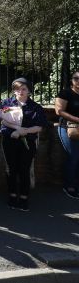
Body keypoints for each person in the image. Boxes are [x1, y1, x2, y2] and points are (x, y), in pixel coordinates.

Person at [0, 78, 48, 211]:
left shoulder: (35, 107)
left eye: (23, 89)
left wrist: (23, 132)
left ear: (29, 91)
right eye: (17, 89)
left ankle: (24, 197)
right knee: (11, 168)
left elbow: (39, 126)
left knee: (24, 169)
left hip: (28, 142)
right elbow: (3, 120)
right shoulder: (8, 103)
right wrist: (17, 129)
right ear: (14, 90)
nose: (20, 91)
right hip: (9, 140)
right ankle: (12, 195)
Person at [55, 70, 79, 199]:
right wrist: (76, 119)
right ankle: (69, 185)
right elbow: (59, 111)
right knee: (73, 156)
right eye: (76, 78)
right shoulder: (66, 93)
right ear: (72, 80)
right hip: (68, 128)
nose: (78, 81)